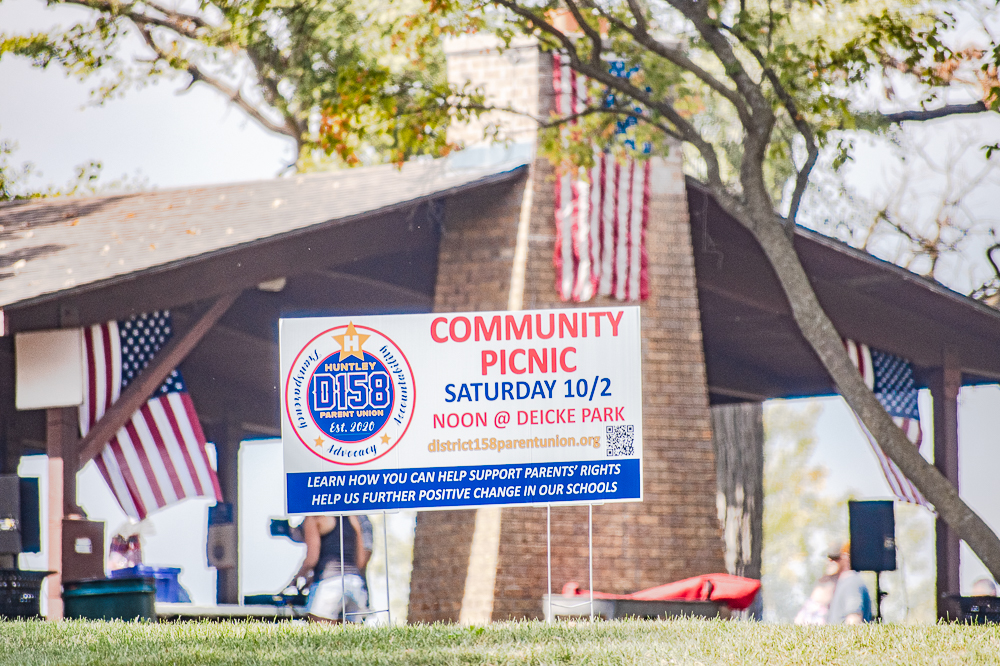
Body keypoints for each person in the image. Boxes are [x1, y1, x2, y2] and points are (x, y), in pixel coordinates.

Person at [293, 515, 373, 623]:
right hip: (355, 584)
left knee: (320, 636)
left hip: (328, 585)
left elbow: (311, 560)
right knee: (351, 638)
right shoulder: (353, 517)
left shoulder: (314, 517)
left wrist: (295, 580)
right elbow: (361, 561)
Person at [826, 542, 873, 624]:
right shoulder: (841, 583)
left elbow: (854, 618)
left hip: (844, 636)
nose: (830, 561)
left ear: (846, 558)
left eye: (835, 558)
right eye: (829, 558)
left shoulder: (851, 582)